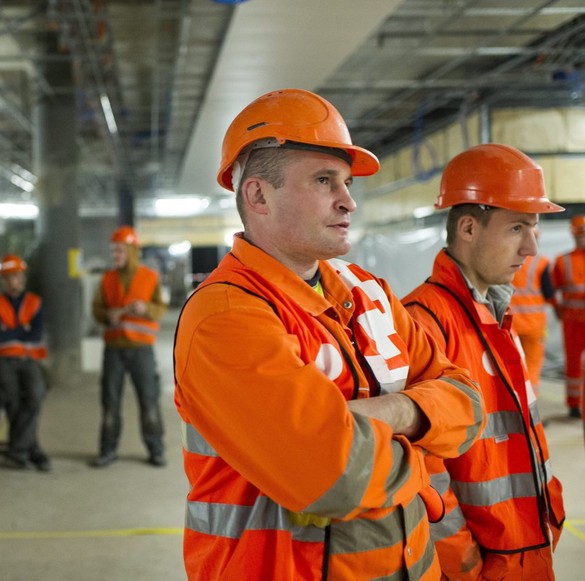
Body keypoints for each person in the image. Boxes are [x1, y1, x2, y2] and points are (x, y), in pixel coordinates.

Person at [174, 88, 486, 579]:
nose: (348, 201)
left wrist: (390, 410)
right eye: (325, 181)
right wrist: (425, 436)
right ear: (257, 195)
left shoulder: (369, 294)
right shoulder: (225, 317)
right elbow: (333, 478)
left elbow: (470, 403)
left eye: (345, 182)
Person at [402, 143, 566, 580]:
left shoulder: (494, 316)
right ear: (469, 228)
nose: (531, 247)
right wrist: (464, 565)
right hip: (484, 565)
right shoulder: (425, 324)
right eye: (518, 228)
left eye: (533, 228)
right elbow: (425, 475)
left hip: (526, 546)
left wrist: (549, 514)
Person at [91, 226, 167, 468]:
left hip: (141, 350)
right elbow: (97, 309)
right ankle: (107, 450)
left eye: (119, 250)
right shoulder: (107, 279)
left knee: (149, 400)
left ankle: (156, 449)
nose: (115, 254)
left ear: (133, 251)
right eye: (113, 250)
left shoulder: (150, 277)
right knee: (110, 402)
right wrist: (106, 316)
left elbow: (160, 309)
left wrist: (146, 310)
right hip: (114, 350)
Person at [0, 254, 51, 471]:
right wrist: (23, 331)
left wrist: (11, 332)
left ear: (22, 277)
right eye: (7, 277)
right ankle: (32, 450)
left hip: (29, 360)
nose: (12, 281)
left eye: (15, 276)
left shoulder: (35, 303)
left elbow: (36, 335)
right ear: (1, 280)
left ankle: (19, 451)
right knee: (12, 403)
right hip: (3, 361)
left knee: (35, 397)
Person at [551, 214, 585, 418]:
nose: (581, 238)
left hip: (572, 320)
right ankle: (573, 404)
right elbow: (551, 290)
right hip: (572, 321)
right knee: (572, 363)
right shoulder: (563, 261)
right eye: (578, 234)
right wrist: (558, 310)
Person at [509, 250, 554, 394]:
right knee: (532, 365)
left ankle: (512, 404)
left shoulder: (501, 259)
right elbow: (549, 294)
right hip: (534, 326)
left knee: (511, 366)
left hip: (509, 324)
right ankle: (530, 405)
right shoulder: (541, 263)